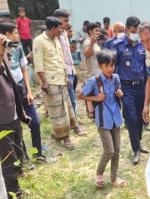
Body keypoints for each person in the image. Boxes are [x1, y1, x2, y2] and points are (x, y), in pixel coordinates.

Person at [79, 49, 126, 188]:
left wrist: (120, 94)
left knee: (116, 150)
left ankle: (114, 178)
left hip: (116, 118)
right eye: (107, 66)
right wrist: (95, 98)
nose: (111, 69)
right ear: (100, 66)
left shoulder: (116, 78)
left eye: (113, 65)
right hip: (103, 121)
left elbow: (119, 95)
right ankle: (99, 174)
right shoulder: (94, 81)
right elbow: (80, 95)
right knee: (109, 150)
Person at [1, 21, 46, 162]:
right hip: (8, 93)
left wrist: (29, 91)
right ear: (7, 35)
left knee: (35, 122)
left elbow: (24, 71)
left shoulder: (18, 49)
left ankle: (37, 153)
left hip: (22, 89)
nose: (19, 36)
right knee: (17, 128)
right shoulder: (2, 52)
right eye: (16, 33)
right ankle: (23, 158)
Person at [33, 17, 77, 150]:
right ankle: (66, 138)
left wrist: (66, 76)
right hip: (50, 82)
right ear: (53, 28)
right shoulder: (39, 41)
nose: (62, 31)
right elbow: (38, 64)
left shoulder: (57, 40)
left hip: (61, 79)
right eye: (60, 28)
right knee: (57, 112)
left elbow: (60, 60)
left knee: (66, 109)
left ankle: (59, 134)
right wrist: (44, 82)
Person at [111, 16, 147, 165]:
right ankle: (135, 149)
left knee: (140, 117)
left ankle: (138, 142)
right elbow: (111, 68)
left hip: (141, 86)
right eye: (133, 31)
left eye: (137, 31)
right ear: (126, 30)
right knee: (131, 118)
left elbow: (147, 66)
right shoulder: (118, 45)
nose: (135, 34)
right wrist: (115, 87)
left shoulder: (142, 45)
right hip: (126, 87)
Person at [0, 34, 31, 199]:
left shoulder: (3, 60)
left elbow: (13, 84)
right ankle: (14, 198)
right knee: (8, 160)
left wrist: (21, 114)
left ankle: (15, 188)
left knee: (18, 153)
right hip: (2, 122)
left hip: (13, 117)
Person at [54, 9, 86, 136]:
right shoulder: (55, 36)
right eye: (65, 20)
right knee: (70, 100)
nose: (67, 23)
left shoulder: (64, 34)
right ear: (58, 19)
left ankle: (74, 122)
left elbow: (67, 55)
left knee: (71, 100)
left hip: (70, 70)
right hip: (64, 73)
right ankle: (75, 126)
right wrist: (65, 73)